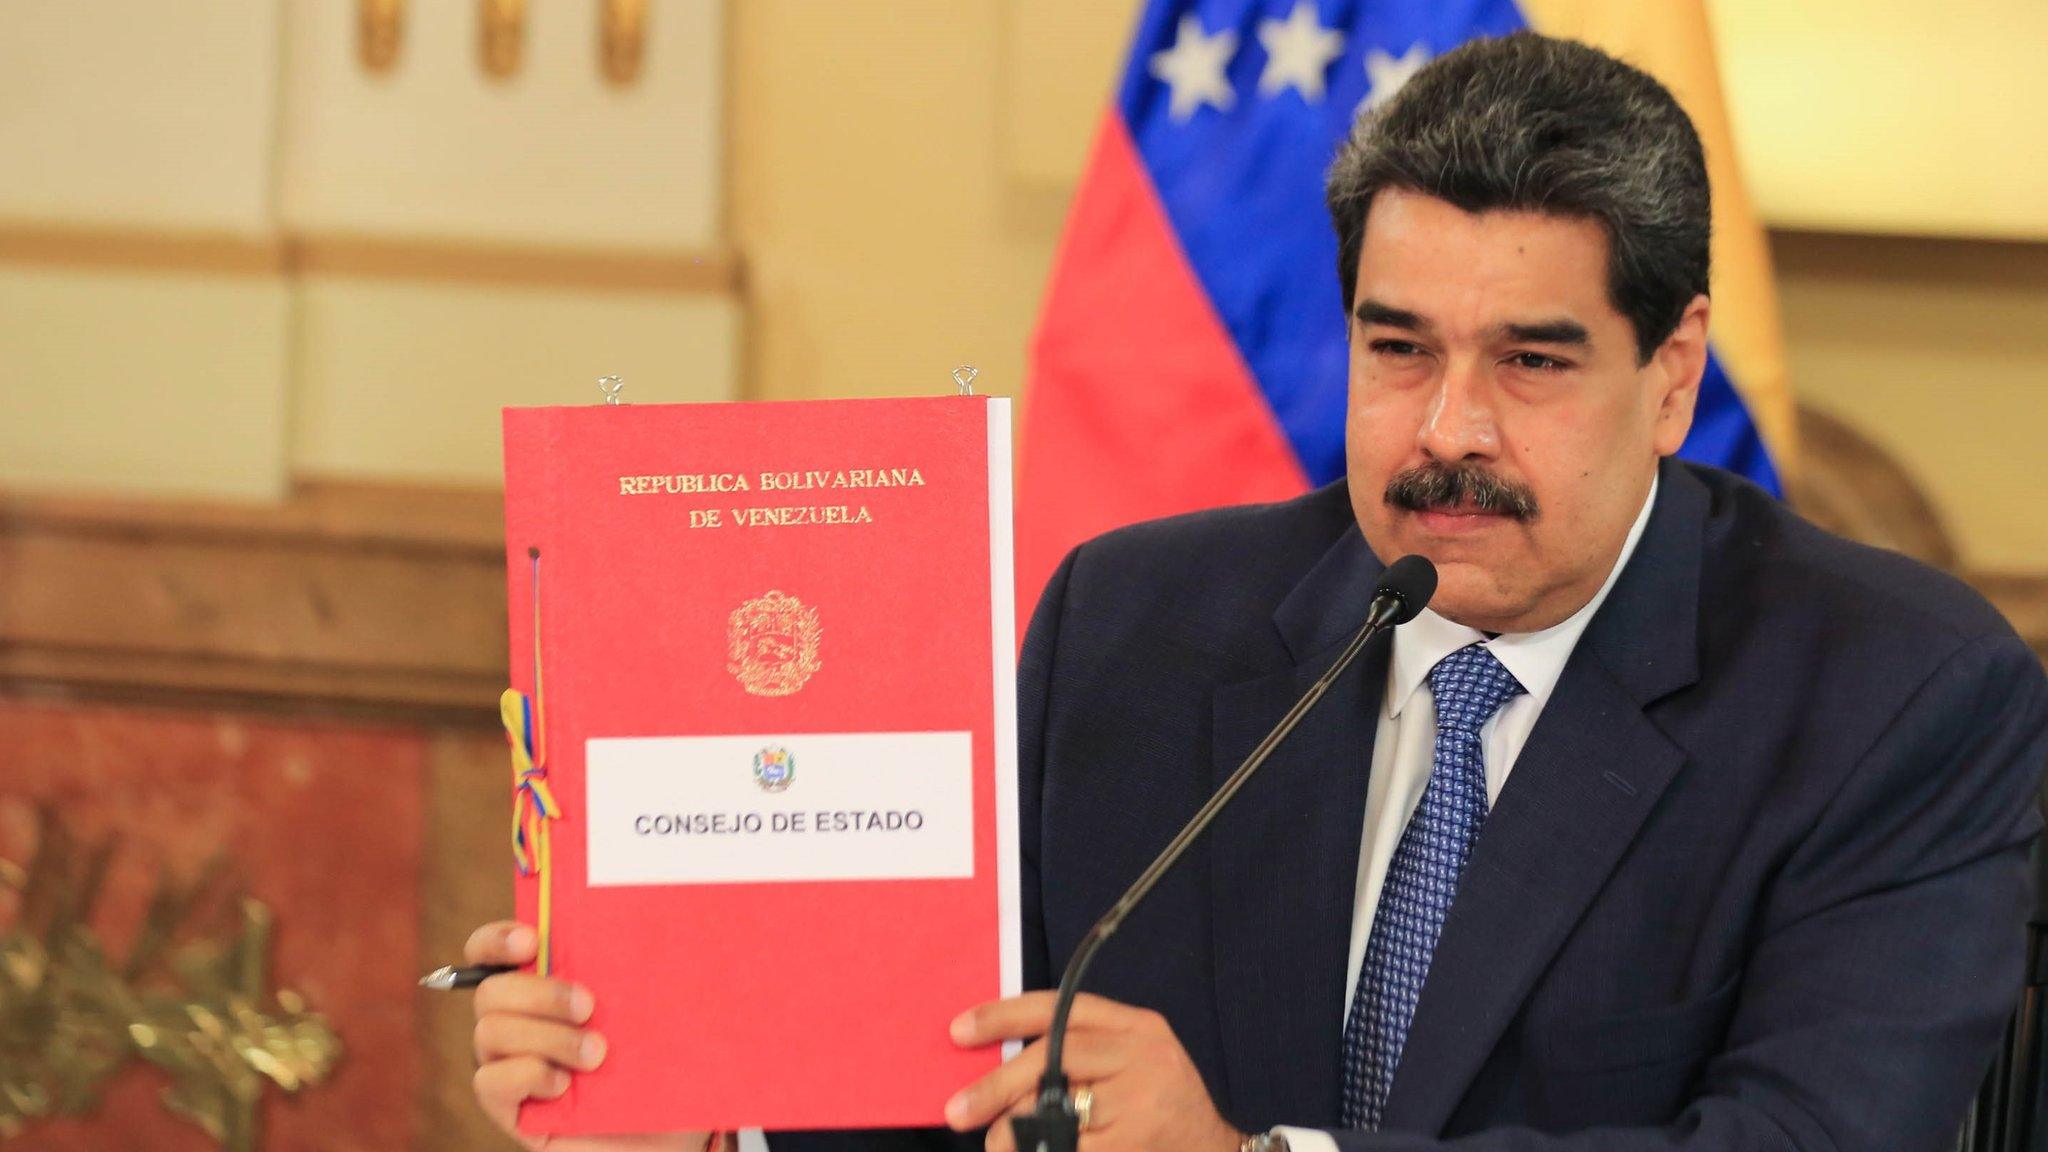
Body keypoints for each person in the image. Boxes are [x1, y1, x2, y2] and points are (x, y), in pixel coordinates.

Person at [463, 32, 2048, 1152]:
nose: (1449, 432)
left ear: (1673, 372)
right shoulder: (1137, 631)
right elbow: (956, 1090)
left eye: (1533, 362)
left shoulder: (1896, 698)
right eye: (1399, 347)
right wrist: (693, 1119)